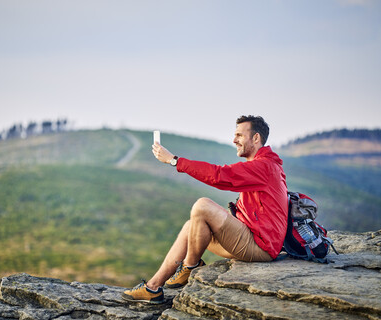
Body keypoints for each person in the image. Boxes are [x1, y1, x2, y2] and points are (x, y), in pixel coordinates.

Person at [121, 115, 288, 304]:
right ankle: (153, 287)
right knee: (190, 226)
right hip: (251, 239)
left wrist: (175, 161)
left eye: (240, 135)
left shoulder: (264, 166)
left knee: (202, 205)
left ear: (256, 138)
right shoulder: (261, 165)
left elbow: (219, 175)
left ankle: (190, 266)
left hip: (262, 247)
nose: (234, 140)